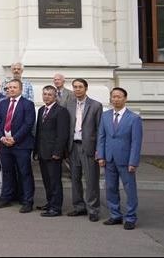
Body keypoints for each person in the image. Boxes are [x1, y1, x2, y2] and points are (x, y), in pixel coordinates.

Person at [97, 88, 143, 230]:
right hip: (109, 158)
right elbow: (101, 137)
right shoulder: (105, 116)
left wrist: (133, 161)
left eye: (119, 97)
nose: (116, 99)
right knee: (111, 188)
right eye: (113, 97)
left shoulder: (134, 118)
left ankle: (130, 217)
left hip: (126, 160)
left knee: (130, 189)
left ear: (125, 98)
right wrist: (101, 156)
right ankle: (115, 215)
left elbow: (136, 142)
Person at [0, 79, 36, 213]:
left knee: (25, 173)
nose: (11, 89)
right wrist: (2, 137)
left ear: (20, 89)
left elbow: (28, 124)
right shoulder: (2, 104)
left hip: (21, 145)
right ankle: (7, 197)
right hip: (5, 144)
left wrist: (15, 138)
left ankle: (27, 201)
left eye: (14, 87)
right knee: (7, 172)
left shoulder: (28, 104)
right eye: (9, 87)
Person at [67, 78, 103, 221]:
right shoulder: (69, 105)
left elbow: (100, 129)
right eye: (75, 87)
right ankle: (78, 207)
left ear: (86, 88)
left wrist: (99, 150)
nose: (77, 89)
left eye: (80, 87)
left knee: (91, 179)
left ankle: (93, 210)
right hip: (73, 146)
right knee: (75, 179)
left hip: (89, 147)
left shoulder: (95, 105)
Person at [34, 86, 69, 217]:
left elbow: (62, 134)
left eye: (49, 94)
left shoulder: (61, 111)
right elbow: (39, 132)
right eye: (45, 94)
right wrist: (36, 150)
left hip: (54, 153)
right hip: (42, 151)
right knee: (47, 180)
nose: (46, 97)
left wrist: (58, 152)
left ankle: (56, 207)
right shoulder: (41, 110)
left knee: (54, 181)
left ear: (55, 97)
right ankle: (50, 203)